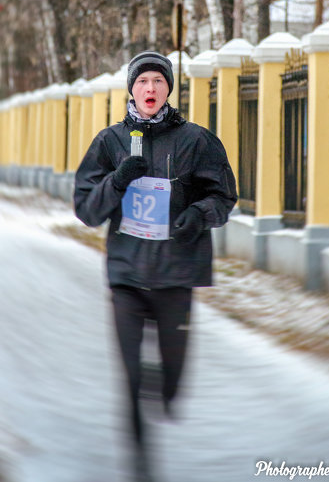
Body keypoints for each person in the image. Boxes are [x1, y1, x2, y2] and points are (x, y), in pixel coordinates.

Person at [74, 50, 237, 475]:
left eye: (158, 82)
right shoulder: (109, 141)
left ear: (169, 89)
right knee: (130, 378)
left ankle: (165, 390)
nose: (150, 88)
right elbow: (87, 210)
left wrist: (198, 215)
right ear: (131, 88)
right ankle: (141, 460)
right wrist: (117, 179)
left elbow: (223, 196)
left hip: (176, 274)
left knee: (171, 380)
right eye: (143, 81)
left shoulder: (196, 140)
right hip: (127, 275)